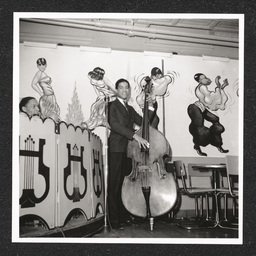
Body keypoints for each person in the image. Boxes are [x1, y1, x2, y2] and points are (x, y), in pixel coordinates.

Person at [107, 78, 150, 230]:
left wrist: (150, 106)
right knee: (115, 184)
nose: (124, 90)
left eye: (127, 87)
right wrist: (134, 135)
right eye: (121, 87)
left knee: (125, 185)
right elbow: (115, 124)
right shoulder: (112, 105)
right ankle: (113, 220)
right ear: (117, 90)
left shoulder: (130, 109)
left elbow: (147, 121)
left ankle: (123, 217)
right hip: (116, 148)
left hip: (128, 151)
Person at [187, 73, 229, 156]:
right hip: (195, 108)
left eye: (206, 77)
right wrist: (218, 85)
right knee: (199, 127)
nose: (206, 79)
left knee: (216, 120)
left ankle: (218, 145)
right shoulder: (201, 87)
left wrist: (221, 86)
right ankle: (197, 146)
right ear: (199, 81)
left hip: (202, 108)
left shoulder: (204, 87)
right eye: (204, 78)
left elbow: (212, 98)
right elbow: (210, 99)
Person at [31, 58, 60, 122]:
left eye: (43, 65)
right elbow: (33, 84)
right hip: (47, 97)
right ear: (37, 66)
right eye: (40, 65)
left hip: (51, 96)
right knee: (48, 115)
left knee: (54, 113)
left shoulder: (43, 73)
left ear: (46, 65)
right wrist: (40, 92)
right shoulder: (39, 73)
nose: (42, 66)